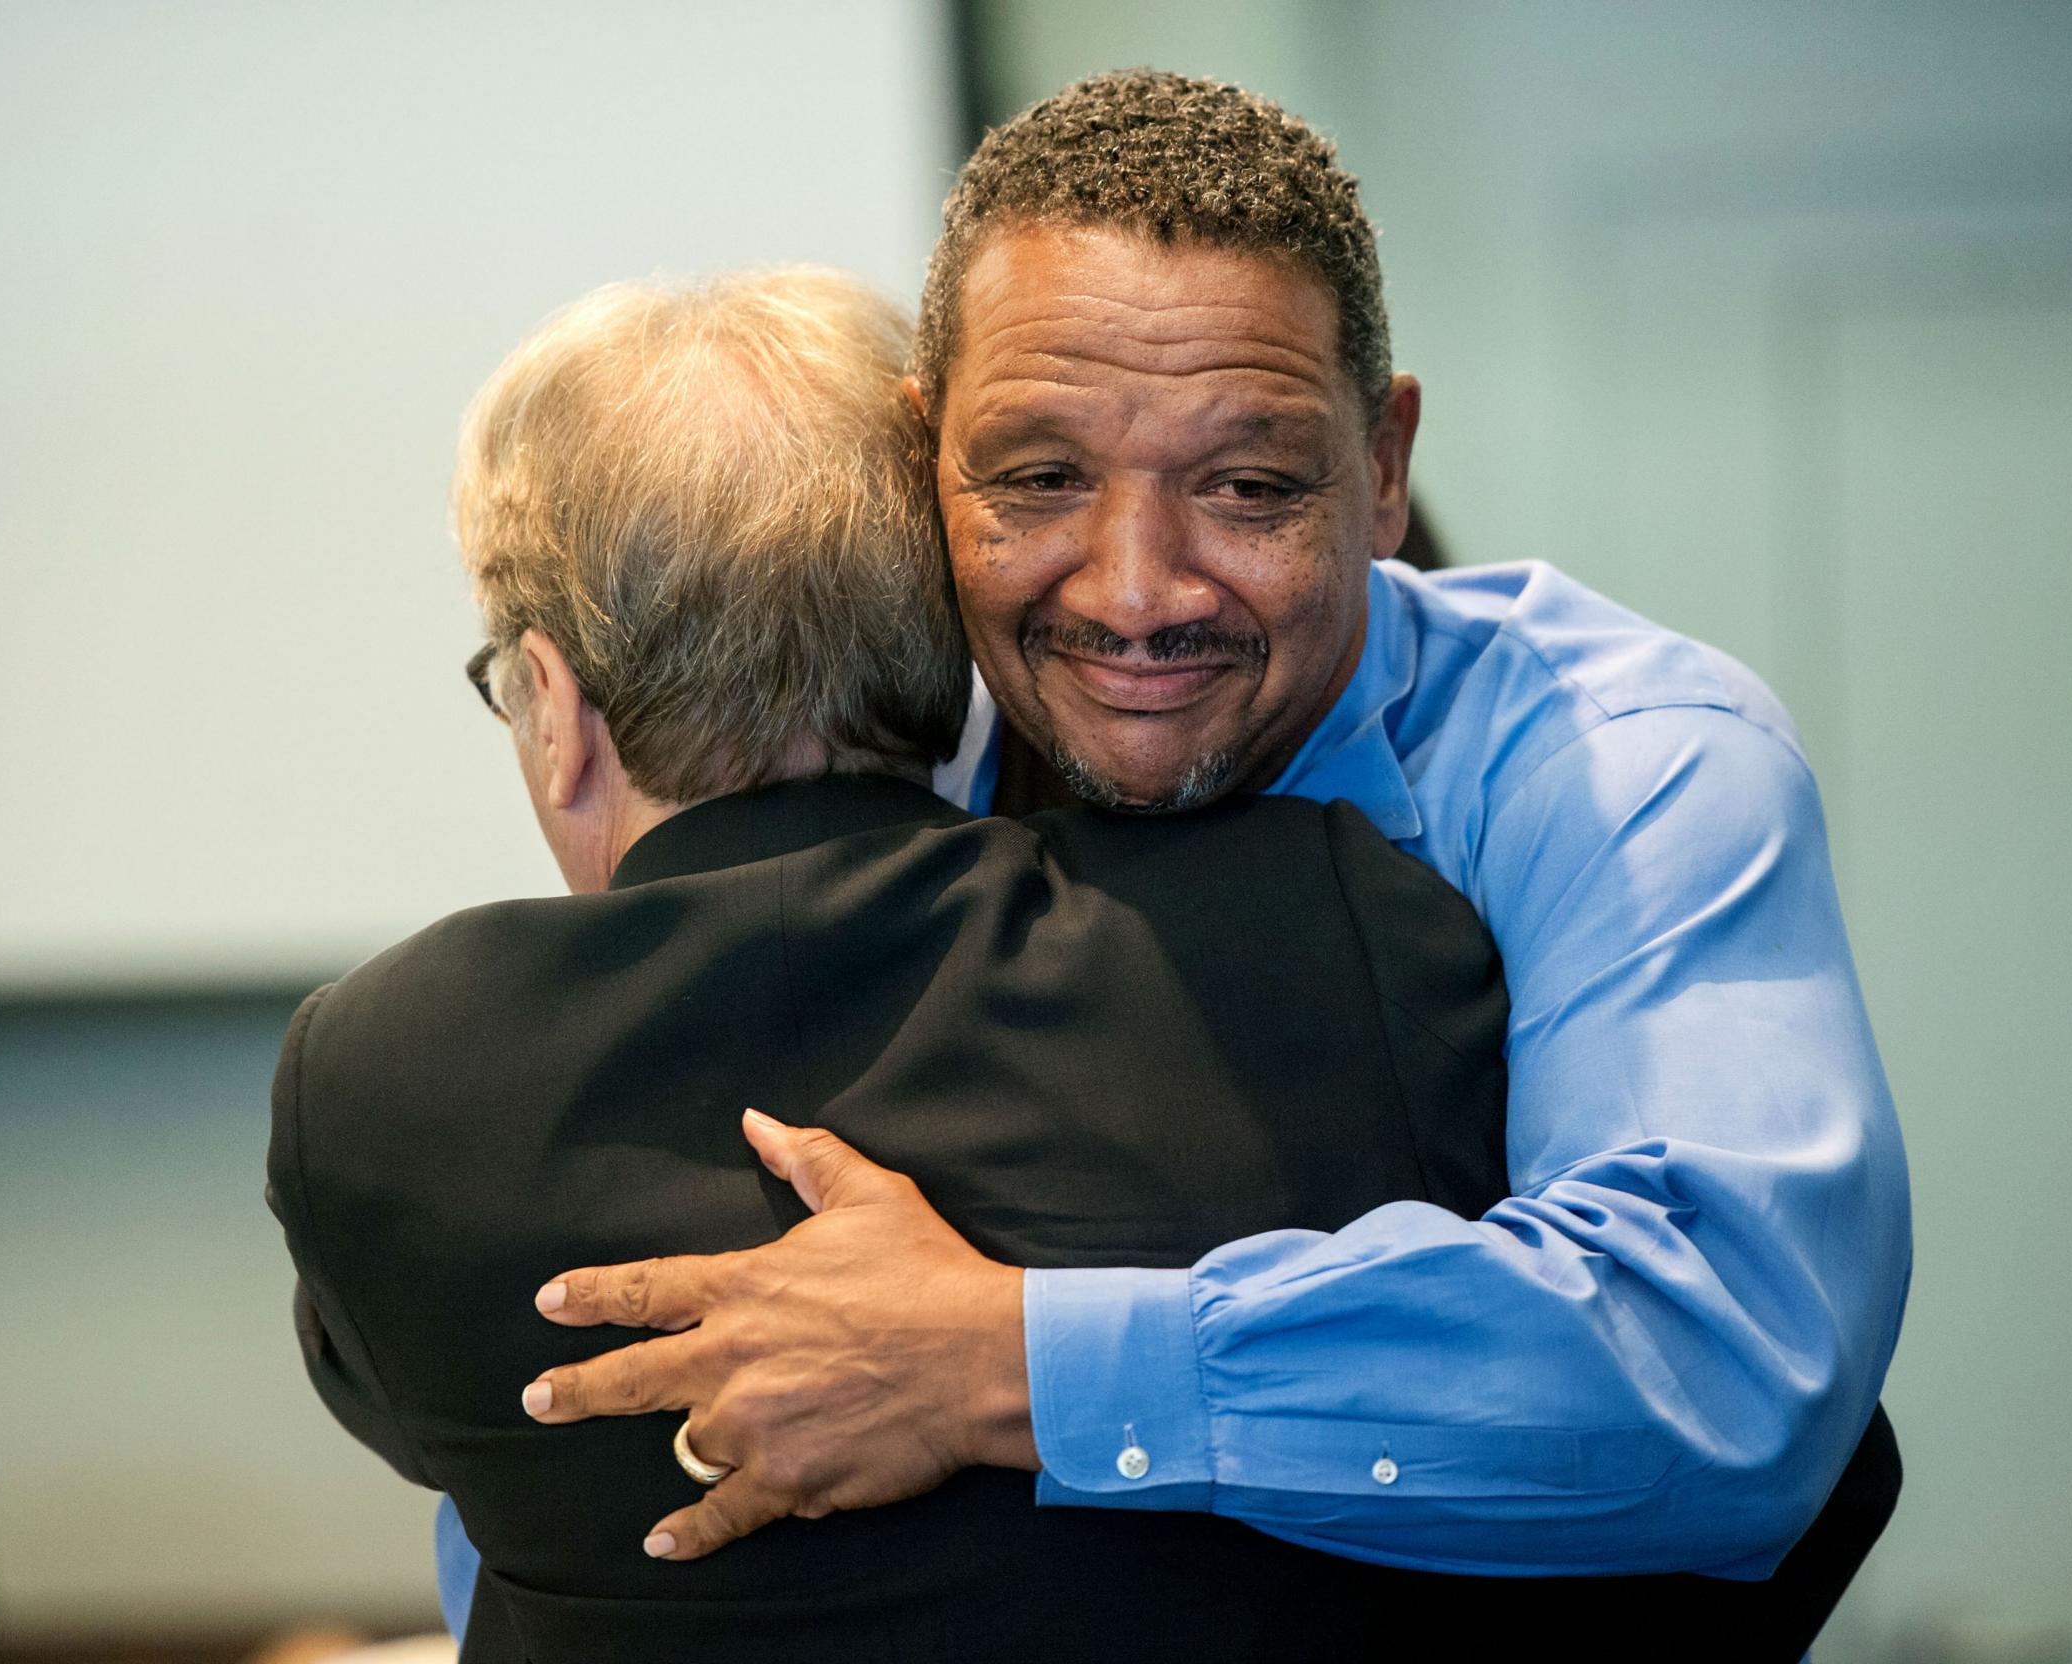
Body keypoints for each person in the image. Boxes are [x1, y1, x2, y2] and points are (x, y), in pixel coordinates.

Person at [511, 67, 1912, 1618]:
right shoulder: (871, 763)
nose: (1133, 593)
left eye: (1247, 488)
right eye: (1040, 478)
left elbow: (1719, 1371)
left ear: (1381, 468)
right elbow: (669, 1350)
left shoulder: (1624, 762)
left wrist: (994, 1359)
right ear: (924, 460)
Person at [272, 266, 1553, 1661]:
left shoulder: (384, 1077)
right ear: (953, 625)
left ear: (559, 709)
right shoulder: (1322, 927)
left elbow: (414, 1420)